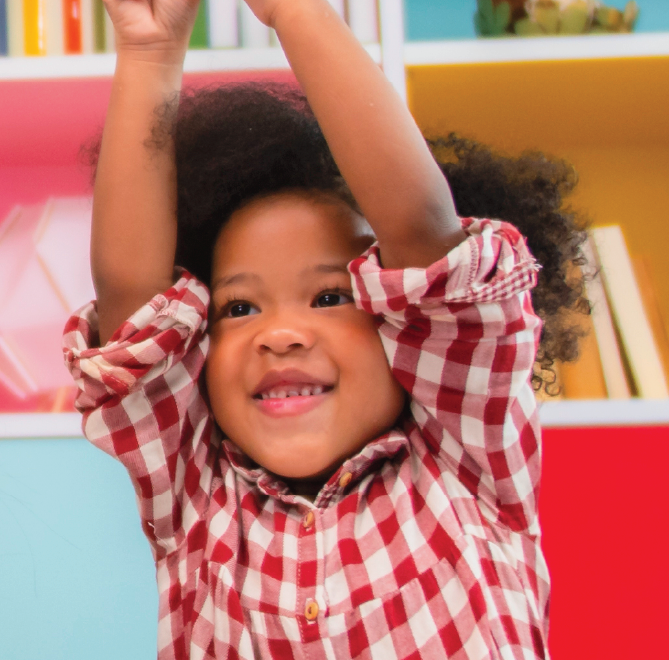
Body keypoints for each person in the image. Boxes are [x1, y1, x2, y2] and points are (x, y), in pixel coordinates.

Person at [66, 0, 591, 656]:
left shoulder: (464, 458)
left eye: (329, 295)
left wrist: (294, 11)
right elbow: (132, 308)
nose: (280, 334)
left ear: (401, 321)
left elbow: (425, 236)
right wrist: (150, 52)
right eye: (240, 308)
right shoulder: (195, 490)